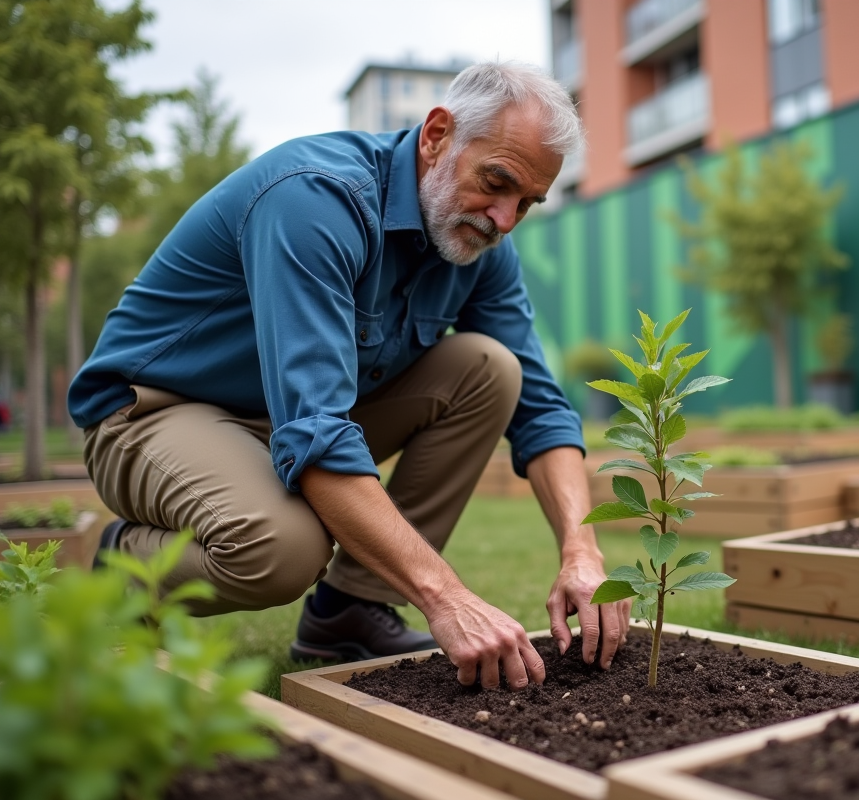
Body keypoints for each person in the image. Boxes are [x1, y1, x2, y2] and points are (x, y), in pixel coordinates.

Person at [67, 62, 629, 691]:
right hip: (155, 410)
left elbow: (541, 408)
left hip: (288, 417)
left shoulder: (478, 245)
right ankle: (115, 565)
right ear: (437, 134)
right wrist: (445, 596)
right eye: (496, 182)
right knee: (281, 550)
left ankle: (349, 611)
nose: (504, 218)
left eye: (526, 202)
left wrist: (584, 553)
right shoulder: (315, 200)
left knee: (490, 370)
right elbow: (316, 436)